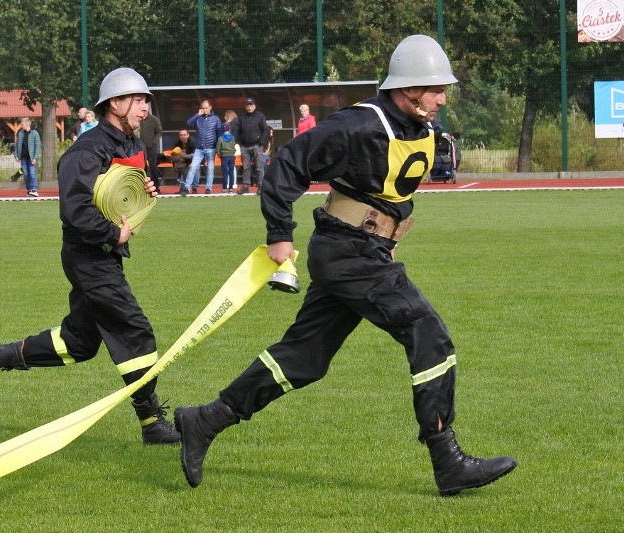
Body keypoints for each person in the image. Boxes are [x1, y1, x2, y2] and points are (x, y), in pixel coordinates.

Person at [174, 35, 517, 496]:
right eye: (436, 88)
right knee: (427, 333)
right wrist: (279, 235)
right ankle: (446, 459)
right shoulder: (359, 124)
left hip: (363, 252)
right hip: (346, 252)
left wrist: (388, 236)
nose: (442, 98)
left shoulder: (422, 131)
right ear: (409, 88)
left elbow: (390, 192)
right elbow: (287, 164)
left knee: (304, 358)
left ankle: (206, 420)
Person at [0, 67, 179, 446]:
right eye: (139, 100)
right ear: (116, 103)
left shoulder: (133, 145)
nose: (146, 108)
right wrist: (113, 233)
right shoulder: (87, 149)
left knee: (78, 342)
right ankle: (151, 423)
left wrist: (145, 189)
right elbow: (76, 209)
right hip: (88, 256)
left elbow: (125, 190)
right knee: (135, 333)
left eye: (147, 100)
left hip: (106, 255)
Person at [182, 99, 223, 195]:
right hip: (199, 147)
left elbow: (219, 133)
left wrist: (218, 147)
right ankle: (187, 187)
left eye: (206, 108)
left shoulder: (216, 119)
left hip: (211, 148)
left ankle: (208, 188)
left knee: (210, 169)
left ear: (210, 108)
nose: (204, 110)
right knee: (193, 167)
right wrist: (197, 115)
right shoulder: (198, 118)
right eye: (203, 108)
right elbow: (189, 123)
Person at [236, 97, 269, 195]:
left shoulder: (260, 116)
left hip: (256, 145)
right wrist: (240, 142)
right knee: (246, 168)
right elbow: (239, 131)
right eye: (247, 105)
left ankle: (260, 186)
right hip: (245, 146)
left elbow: (265, 130)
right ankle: (246, 186)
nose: (249, 107)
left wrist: (261, 142)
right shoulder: (242, 117)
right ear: (245, 107)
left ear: (254, 106)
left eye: (251, 105)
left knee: (259, 167)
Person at [14, 117, 42, 197]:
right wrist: (16, 155)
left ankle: (33, 189)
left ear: (27, 124)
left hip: (31, 157)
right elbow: (17, 145)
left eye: (22, 124)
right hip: (23, 157)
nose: (21, 126)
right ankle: (29, 190)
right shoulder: (20, 133)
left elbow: (37, 146)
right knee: (26, 174)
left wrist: (35, 157)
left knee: (32, 173)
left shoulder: (34, 133)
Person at [139, 109, 163, 191]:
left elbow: (159, 131)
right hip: (140, 149)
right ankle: (143, 187)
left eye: (144, 110)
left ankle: (156, 186)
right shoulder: (138, 119)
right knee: (141, 167)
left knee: (152, 167)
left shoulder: (154, 119)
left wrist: (153, 141)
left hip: (151, 148)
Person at [216, 123, 237, 193]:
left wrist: (219, 155)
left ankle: (224, 188)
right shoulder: (233, 137)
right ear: (229, 129)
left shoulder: (220, 138)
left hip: (224, 157)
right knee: (231, 172)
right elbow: (234, 145)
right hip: (232, 156)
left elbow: (218, 149)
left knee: (225, 172)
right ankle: (231, 188)